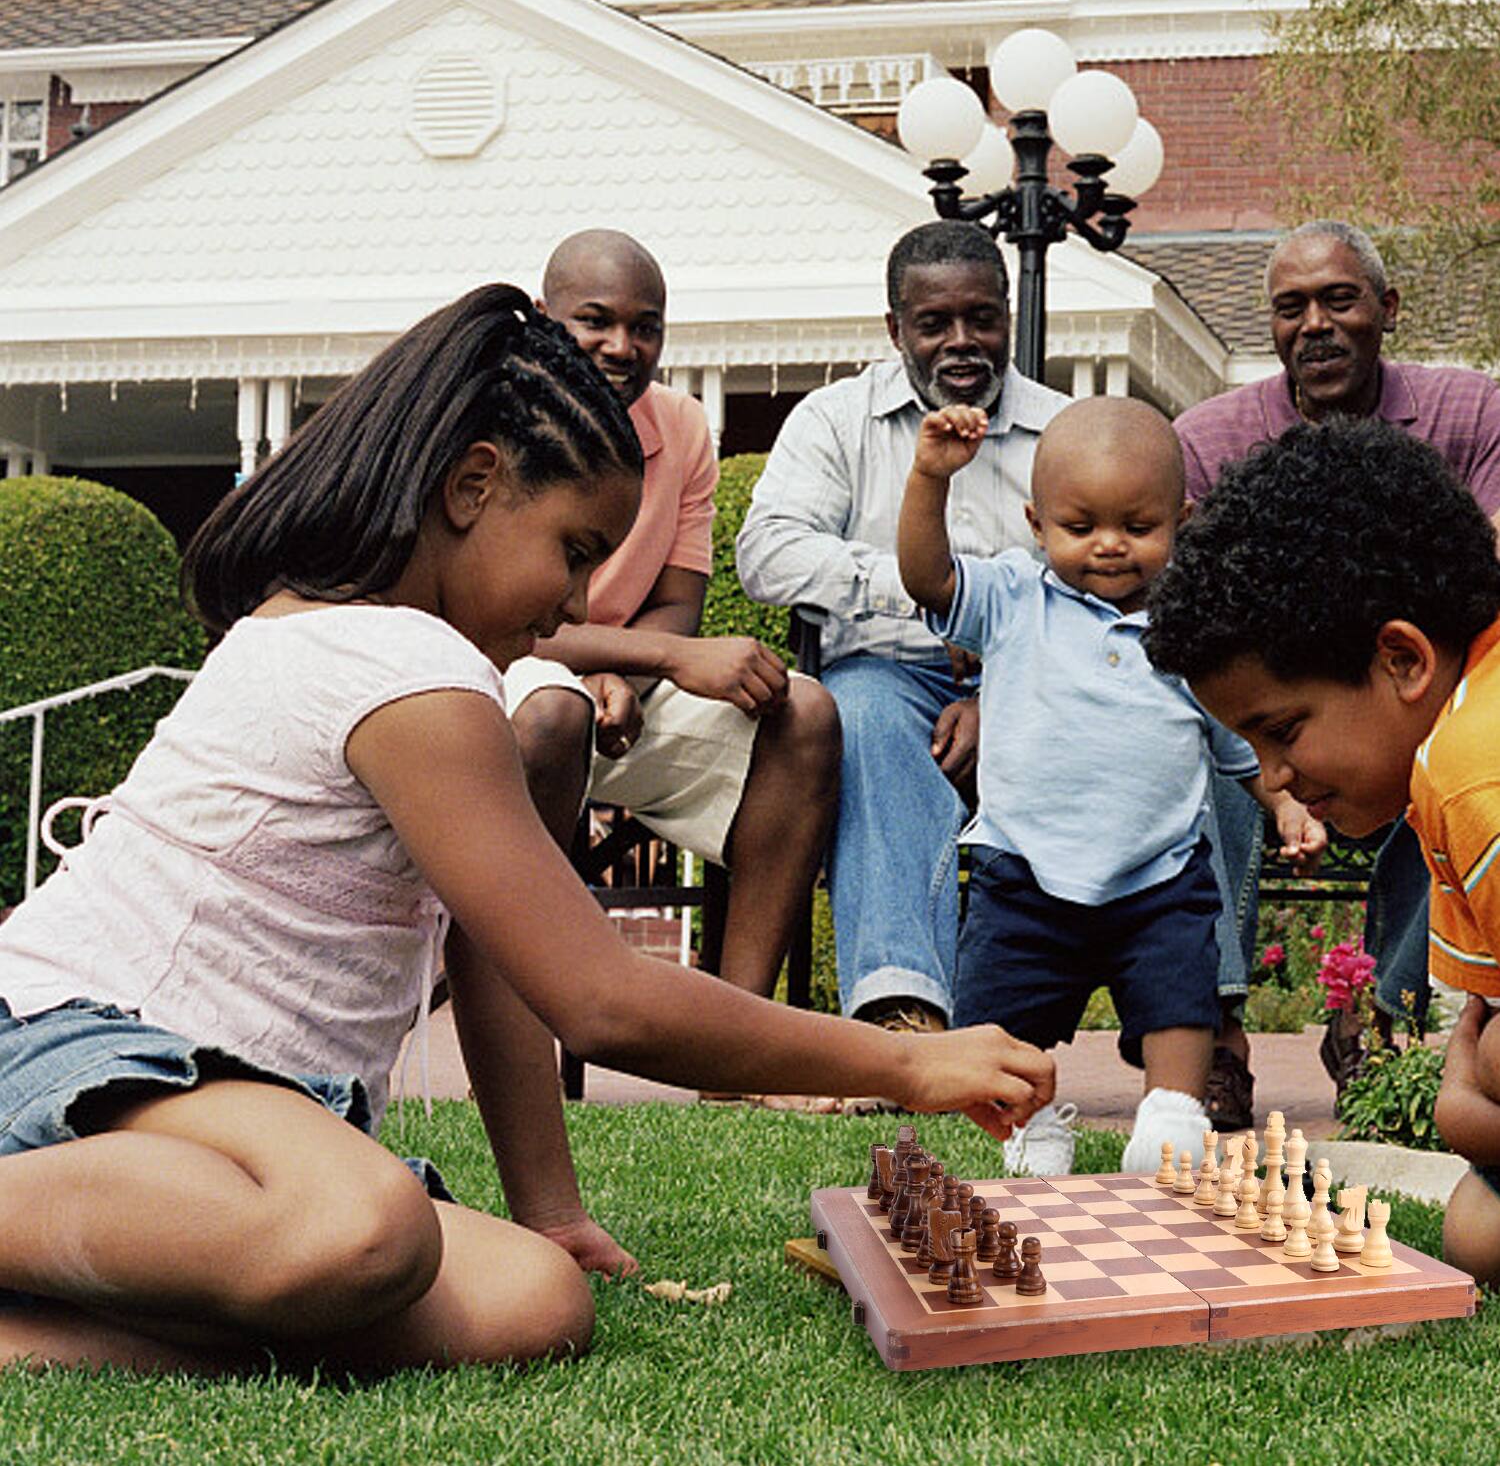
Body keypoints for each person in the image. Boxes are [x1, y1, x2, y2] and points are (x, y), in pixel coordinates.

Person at [0, 284, 1056, 1376]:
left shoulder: (397, 653)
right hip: (81, 1048)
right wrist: (906, 1062)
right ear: (473, 487)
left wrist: (549, 1212)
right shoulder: (403, 670)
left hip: (234, 1121)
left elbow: (500, 959)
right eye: (574, 548)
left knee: (527, 1302)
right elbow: (600, 1000)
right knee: (363, 1230)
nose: (578, 601)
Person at [897, 395, 1323, 1172]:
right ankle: (1030, 1125)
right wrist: (930, 478)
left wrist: (1290, 804)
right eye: (1080, 525)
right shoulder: (1011, 599)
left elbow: (1248, 750)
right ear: (1035, 524)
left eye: (1138, 526)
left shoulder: (1196, 640)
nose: (1109, 546)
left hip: (1158, 872)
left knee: (1185, 998)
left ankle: (1172, 1118)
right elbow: (928, 578)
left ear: (1182, 520)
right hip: (1025, 868)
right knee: (997, 1024)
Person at [1143, 416, 1500, 1284]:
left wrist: (1462, 1109)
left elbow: (1477, 1080)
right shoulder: (1450, 755)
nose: (1274, 776)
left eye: (1283, 730)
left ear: (1401, 659)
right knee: (1479, 1226)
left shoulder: (1473, 772)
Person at [1172, 218, 1500, 1127]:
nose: (1314, 324)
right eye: (1290, 308)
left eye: (1338, 299)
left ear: (1387, 310)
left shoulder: (1475, 773)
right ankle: (1250, 1033)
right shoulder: (1204, 436)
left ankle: (1386, 1031)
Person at [737, 219, 1070, 1047]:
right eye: (934, 324)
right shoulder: (836, 420)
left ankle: (1192, 1027)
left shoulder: (1066, 431)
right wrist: (926, 595)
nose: (963, 342)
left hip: (1040, 682)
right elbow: (768, 554)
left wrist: (1000, 685)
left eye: (983, 319)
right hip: (887, 673)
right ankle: (902, 1015)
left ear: (1008, 319)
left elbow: (1107, 585)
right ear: (896, 330)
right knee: (868, 719)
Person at [503, 230, 838, 999]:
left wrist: (619, 667)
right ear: (542, 315)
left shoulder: (681, 427)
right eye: (596, 321)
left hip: (626, 698)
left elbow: (677, 604)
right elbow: (494, 622)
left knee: (804, 712)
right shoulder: (489, 421)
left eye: (645, 326)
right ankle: (532, 1008)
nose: (623, 346)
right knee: (554, 711)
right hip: (493, 694)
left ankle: (741, 1040)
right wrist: (634, 665)